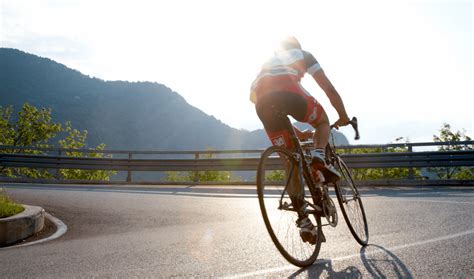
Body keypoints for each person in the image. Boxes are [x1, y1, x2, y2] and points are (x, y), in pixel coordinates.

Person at [250, 36, 350, 244]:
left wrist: (295, 130)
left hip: (262, 104)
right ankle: (319, 155)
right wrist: (343, 115)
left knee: (290, 159)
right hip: (289, 93)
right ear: (297, 47)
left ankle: (304, 220)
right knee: (323, 121)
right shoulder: (303, 55)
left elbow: (256, 98)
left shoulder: (267, 63)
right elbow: (328, 89)